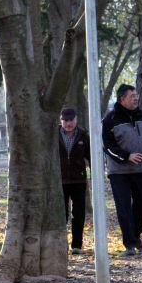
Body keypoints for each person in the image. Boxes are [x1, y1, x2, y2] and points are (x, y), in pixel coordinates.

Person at [102, 84, 142, 256]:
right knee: (124, 207)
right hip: (119, 172)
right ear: (122, 99)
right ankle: (129, 244)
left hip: (141, 169)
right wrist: (126, 156)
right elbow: (107, 146)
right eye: (132, 96)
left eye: (136, 95)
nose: (136, 98)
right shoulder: (110, 119)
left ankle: (135, 235)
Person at [58, 107, 91, 255]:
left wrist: (88, 164)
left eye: (71, 120)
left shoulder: (83, 135)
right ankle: (60, 243)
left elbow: (90, 155)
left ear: (76, 120)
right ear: (61, 120)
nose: (69, 123)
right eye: (66, 120)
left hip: (79, 180)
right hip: (60, 180)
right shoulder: (54, 134)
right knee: (61, 214)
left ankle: (77, 245)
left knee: (78, 214)